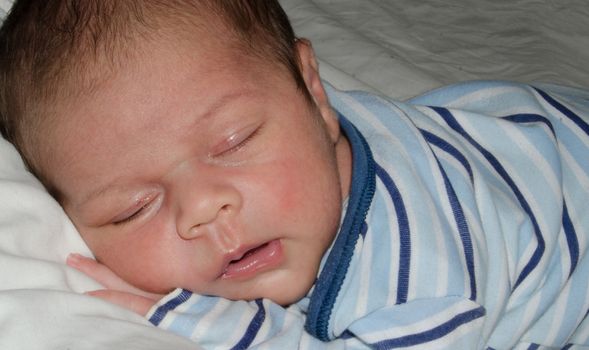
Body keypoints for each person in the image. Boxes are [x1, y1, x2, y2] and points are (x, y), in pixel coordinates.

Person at [0, 0, 588, 348]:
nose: (204, 206)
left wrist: (219, 324)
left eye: (235, 141)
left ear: (314, 91)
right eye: (133, 206)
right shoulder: (290, 145)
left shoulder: (419, 273)